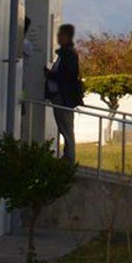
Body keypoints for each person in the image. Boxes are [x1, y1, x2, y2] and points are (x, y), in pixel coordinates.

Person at [45, 23, 83, 162]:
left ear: (66, 36)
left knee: (66, 127)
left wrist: (51, 75)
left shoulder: (69, 55)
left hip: (63, 97)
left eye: (60, 35)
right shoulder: (65, 54)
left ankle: (69, 157)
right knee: (64, 127)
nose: (58, 37)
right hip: (59, 96)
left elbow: (68, 75)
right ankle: (68, 155)